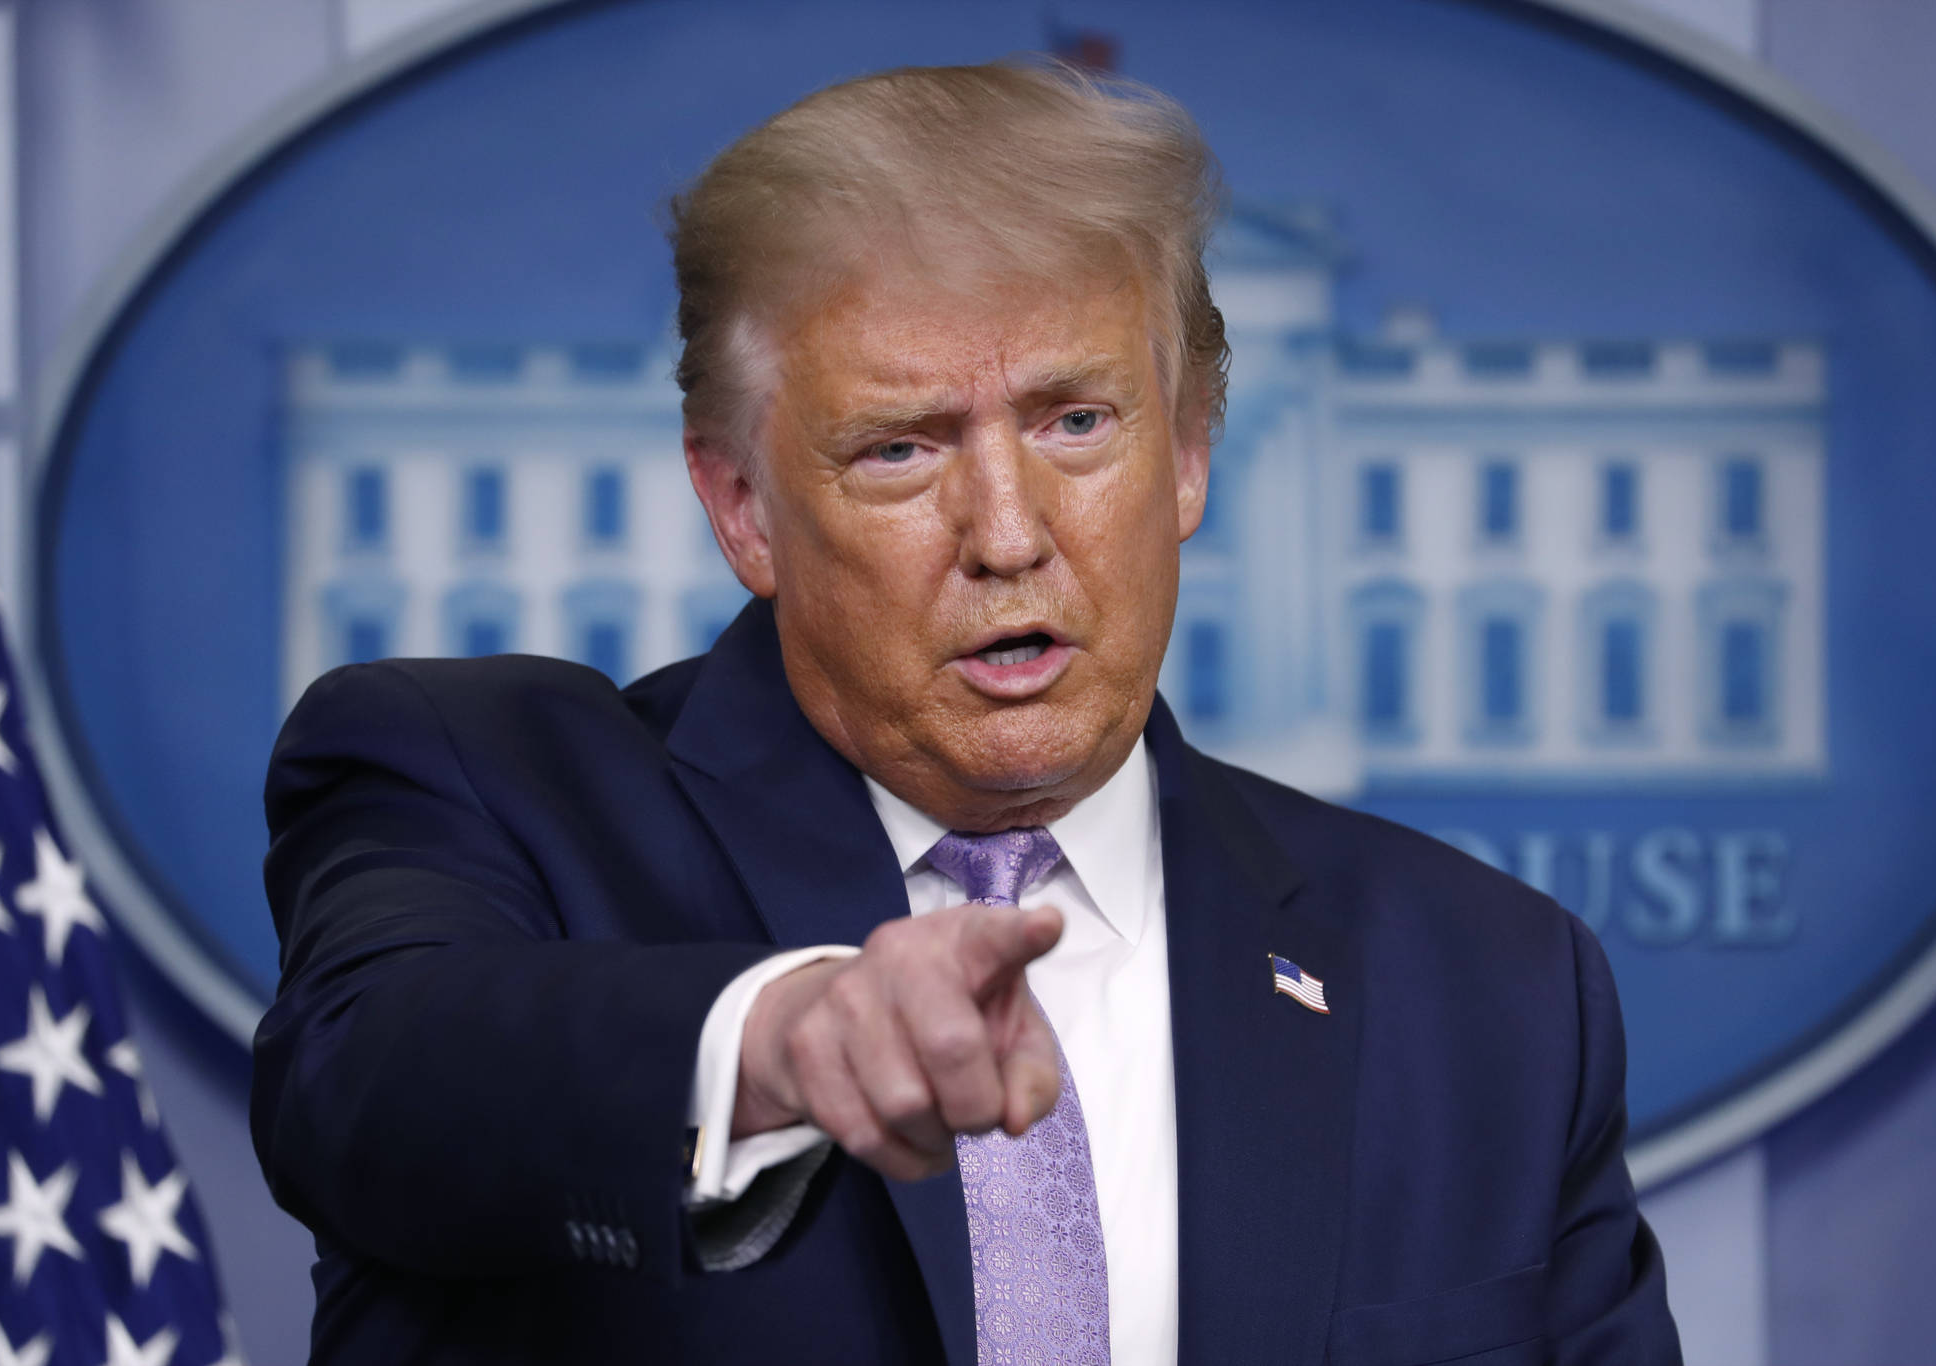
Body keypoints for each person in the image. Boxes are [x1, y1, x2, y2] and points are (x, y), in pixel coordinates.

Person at [253, 60, 1680, 1365]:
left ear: (1188, 456)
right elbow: (369, 1080)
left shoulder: (1493, 988)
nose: (1008, 532)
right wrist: (778, 1037)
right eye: (899, 448)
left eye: (1077, 422)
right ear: (743, 507)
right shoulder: (485, 790)